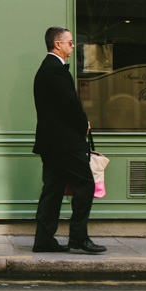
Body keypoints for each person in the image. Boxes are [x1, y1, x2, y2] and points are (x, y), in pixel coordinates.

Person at [32, 26, 106, 254]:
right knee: (85, 184)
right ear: (57, 44)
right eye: (70, 42)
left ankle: (43, 240)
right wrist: (84, 124)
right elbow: (69, 105)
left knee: (52, 190)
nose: (73, 46)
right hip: (64, 143)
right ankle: (79, 238)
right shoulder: (55, 69)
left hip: (52, 143)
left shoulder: (49, 68)